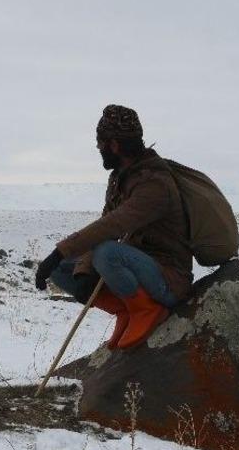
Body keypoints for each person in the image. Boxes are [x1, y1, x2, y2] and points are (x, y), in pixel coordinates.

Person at [34, 105, 193, 350]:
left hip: (168, 279)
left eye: (100, 143)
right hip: (138, 269)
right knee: (62, 270)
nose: (98, 149)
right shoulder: (122, 177)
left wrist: (60, 250)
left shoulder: (154, 183)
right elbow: (105, 224)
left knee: (106, 252)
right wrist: (83, 270)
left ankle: (145, 309)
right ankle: (125, 310)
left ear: (114, 145)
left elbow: (113, 225)